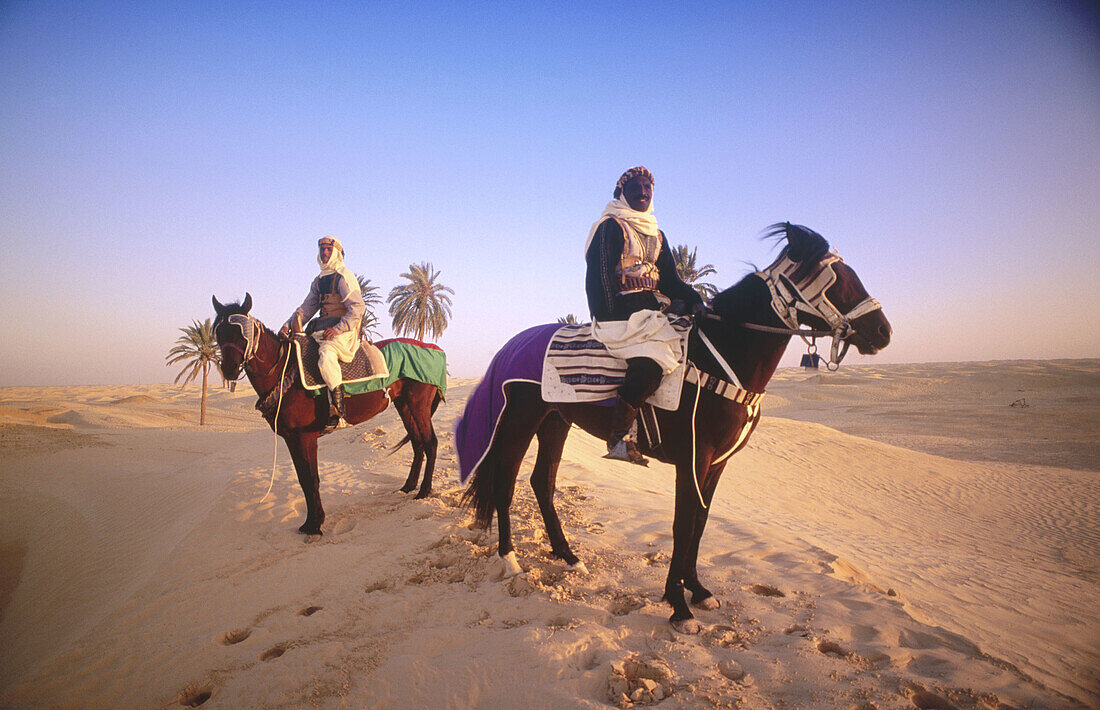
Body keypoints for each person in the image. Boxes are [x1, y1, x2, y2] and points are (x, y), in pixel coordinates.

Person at [584, 166, 704, 465]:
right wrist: (610, 314)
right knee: (650, 364)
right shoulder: (610, 226)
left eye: (647, 188)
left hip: (652, 310)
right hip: (620, 315)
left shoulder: (657, 234)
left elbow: (671, 282)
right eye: (635, 188)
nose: (643, 193)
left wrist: (695, 300)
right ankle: (618, 438)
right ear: (622, 193)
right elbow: (598, 279)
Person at [280, 236, 366, 428]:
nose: (324, 253)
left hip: (342, 333)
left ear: (336, 252)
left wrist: (338, 329)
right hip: (320, 330)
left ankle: (338, 410)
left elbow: (358, 308)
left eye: (328, 249)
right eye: (322, 250)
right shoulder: (319, 281)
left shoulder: (344, 276)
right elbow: (306, 308)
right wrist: (288, 324)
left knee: (326, 357)